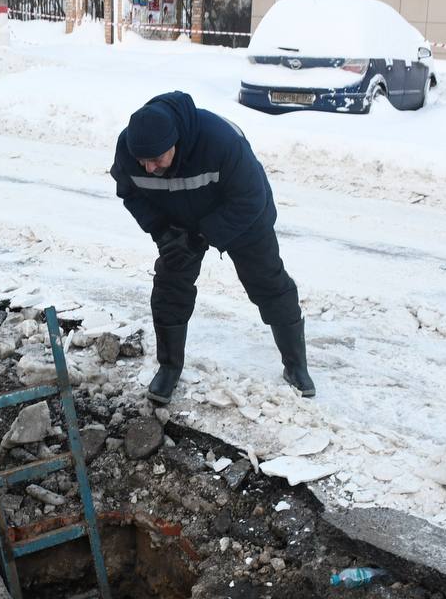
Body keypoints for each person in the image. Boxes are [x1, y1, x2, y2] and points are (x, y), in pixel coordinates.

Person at [110, 91, 314, 404]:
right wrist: (163, 233)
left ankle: (296, 365)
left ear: (175, 142)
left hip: (241, 217)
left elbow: (250, 199)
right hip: (178, 218)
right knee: (170, 286)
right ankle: (169, 367)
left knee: (268, 282)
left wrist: (203, 235)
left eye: (156, 159)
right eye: (143, 161)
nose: (149, 168)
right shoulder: (129, 149)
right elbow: (130, 193)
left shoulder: (220, 141)